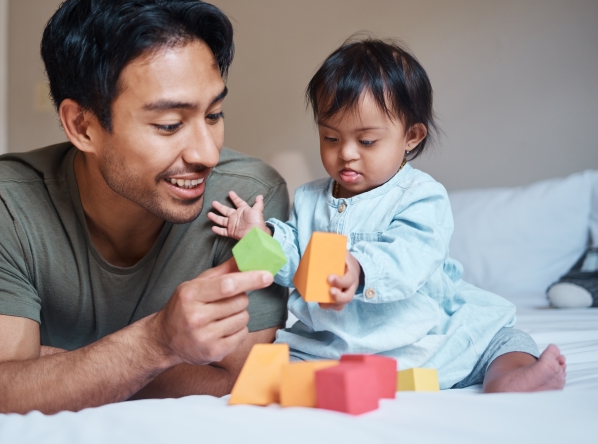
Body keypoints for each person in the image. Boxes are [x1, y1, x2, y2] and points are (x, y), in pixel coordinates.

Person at [0, 0, 290, 415]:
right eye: (169, 125)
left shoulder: (249, 200)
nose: (206, 153)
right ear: (82, 126)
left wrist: (54, 368)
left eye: (214, 113)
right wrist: (157, 342)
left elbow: (242, 379)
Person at [210, 38, 567, 392]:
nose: (346, 154)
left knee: (501, 337)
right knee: (274, 362)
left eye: (366, 141)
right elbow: (295, 269)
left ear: (411, 136)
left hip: (419, 342)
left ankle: (509, 377)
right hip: (330, 346)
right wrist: (261, 236)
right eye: (330, 138)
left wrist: (359, 269)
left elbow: (412, 255)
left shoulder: (420, 196)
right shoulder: (308, 199)